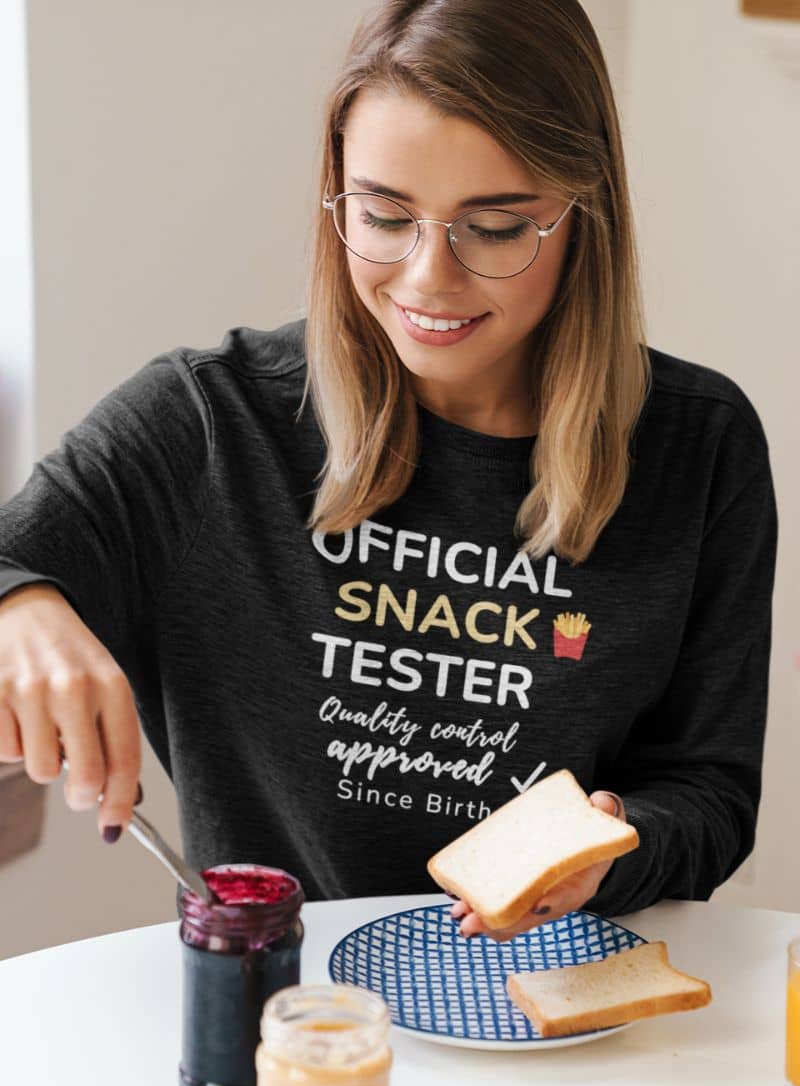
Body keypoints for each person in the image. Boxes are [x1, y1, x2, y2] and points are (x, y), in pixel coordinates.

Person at [0, 0, 777, 942]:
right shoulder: (210, 422)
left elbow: (709, 795)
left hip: (555, 1017)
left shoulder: (701, 447)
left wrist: (621, 847)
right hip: (289, 1018)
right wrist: (22, 609)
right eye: (383, 215)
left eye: (495, 228)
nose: (426, 279)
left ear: (586, 214)